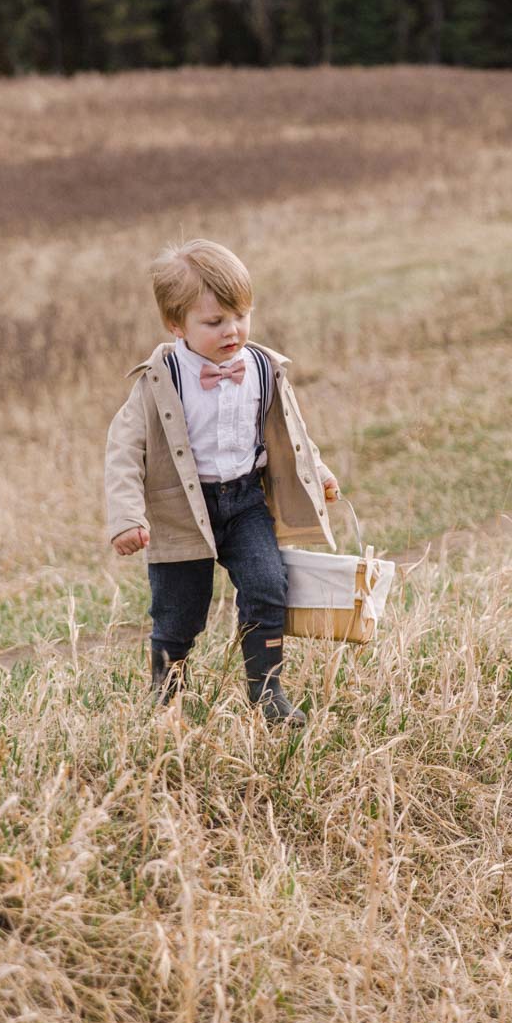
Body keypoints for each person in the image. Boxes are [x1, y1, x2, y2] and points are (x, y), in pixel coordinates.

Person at [105, 238, 340, 725]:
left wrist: (316, 473)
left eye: (240, 316)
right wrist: (127, 516)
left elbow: (290, 431)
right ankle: (166, 694)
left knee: (267, 583)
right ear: (176, 325)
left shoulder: (261, 367)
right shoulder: (160, 378)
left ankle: (267, 689)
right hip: (181, 509)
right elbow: (124, 449)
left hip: (246, 500)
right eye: (214, 323)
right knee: (179, 612)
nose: (232, 331)